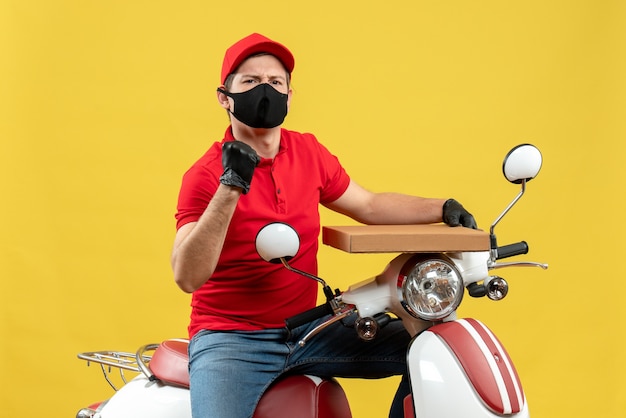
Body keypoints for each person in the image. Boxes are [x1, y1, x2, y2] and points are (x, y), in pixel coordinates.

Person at [171, 33, 477, 418]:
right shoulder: (203, 175)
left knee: (434, 349)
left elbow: (368, 205)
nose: (265, 90)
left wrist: (442, 207)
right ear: (224, 97)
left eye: (275, 82)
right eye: (250, 82)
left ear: (289, 95)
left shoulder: (308, 152)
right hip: (231, 340)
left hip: (307, 331)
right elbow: (187, 276)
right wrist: (231, 185)